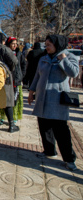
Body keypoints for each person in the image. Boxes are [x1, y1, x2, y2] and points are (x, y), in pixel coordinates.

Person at [28, 35, 79, 171]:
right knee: (44, 126)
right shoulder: (43, 58)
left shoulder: (68, 56)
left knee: (61, 130)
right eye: (46, 45)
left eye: (49, 45)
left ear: (57, 44)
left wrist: (63, 60)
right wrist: (31, 92)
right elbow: (37, 76)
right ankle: (49, 151)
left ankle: (69, 159)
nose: (47, 47)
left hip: (57, 100)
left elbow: (73, 73)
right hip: (42, 97)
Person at [0, 37, 26, 125]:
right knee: (4, 98)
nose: (15, 45)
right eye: (13, 43)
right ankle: (3, 117)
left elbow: (23, 65)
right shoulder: (4, 52)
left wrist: (21, 75)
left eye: (16, 44)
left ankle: (13, 117)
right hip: (6, 80)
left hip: (16, 80)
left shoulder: (19, 54)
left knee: (14, 99)